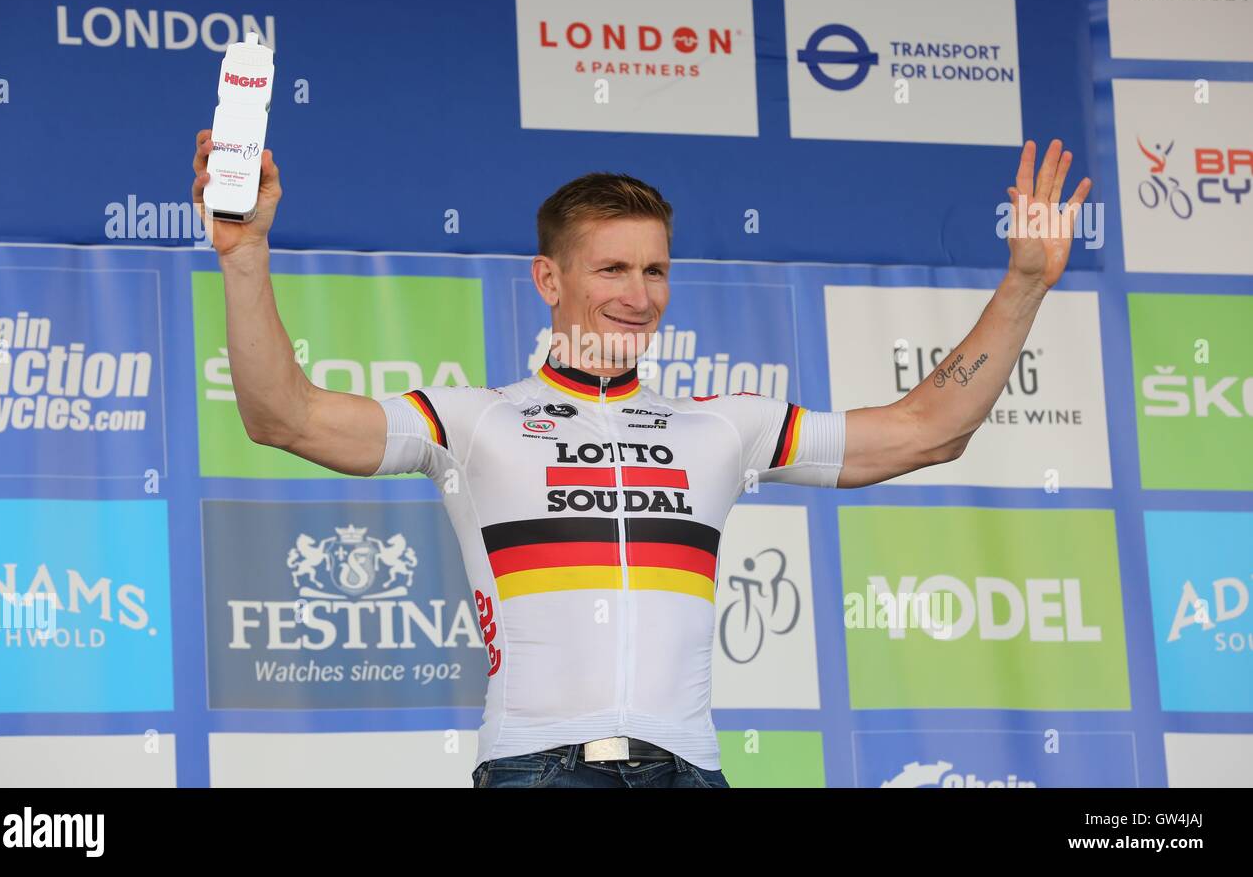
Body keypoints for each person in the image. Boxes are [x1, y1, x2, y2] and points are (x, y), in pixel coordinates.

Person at [191, 132, 1091, 788]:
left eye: (655, 271)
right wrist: (245, 256)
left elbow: (927, 430)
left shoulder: (722, 428)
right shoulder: (472, 422)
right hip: (537, 769)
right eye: (612, 270)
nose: (638, 296)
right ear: (550, 281)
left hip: (690, 768)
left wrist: (1021, 286)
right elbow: (285, 417)